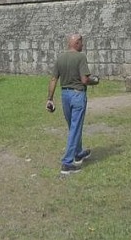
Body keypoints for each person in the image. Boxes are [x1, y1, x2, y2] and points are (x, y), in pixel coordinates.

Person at [46, 33, 99, 174]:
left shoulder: (61, 58)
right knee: (75, 127)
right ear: (76, 43)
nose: (83, 45)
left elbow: (53, 79)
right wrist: (95, 80)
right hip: (77, 95)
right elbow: (84, 80)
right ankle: (67, 162)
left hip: (65, 95)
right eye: (81, 43)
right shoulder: (80, 57)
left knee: (73, 127)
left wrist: (50, 99)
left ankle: (78, 153)